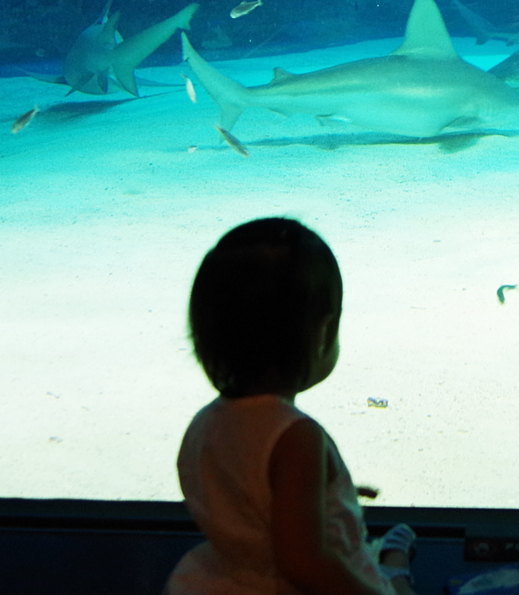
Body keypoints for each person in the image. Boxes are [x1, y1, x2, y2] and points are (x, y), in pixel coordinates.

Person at [165, 218, 419, 595]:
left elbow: (245, 496)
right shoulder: (296, 439)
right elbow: (304, 563)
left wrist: (318, 491)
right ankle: (393, 568)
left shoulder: (206, 423)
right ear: (323, 333)